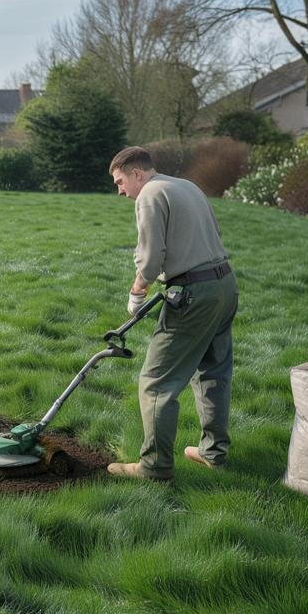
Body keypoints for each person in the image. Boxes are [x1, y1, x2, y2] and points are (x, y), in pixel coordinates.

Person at [105, 146, 238, 482]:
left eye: (121, 181)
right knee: (213, 372)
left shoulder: (149, 194)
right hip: (224, 284)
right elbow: (213, 233)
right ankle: (213, 453)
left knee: (156, 382)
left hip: (194, 294)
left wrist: (137, 290)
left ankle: (154, 467)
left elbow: (150, 258)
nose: (120, 190)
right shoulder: (186, 185)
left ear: (137, 174)